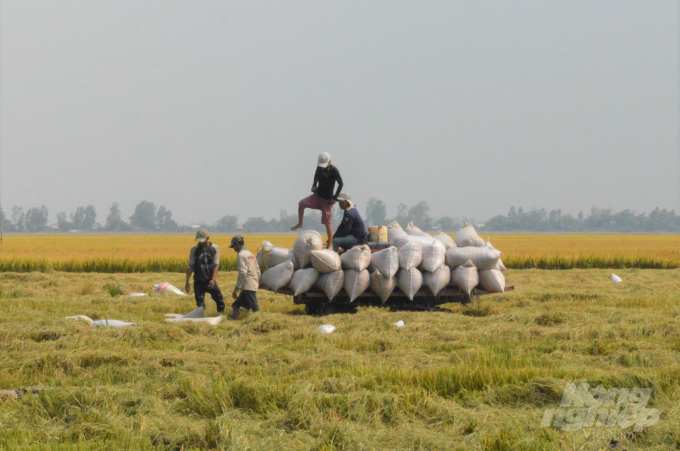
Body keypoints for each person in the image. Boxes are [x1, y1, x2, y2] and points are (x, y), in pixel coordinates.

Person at [291, 152, 343, 249]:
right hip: (317, 195)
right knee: (301, 204)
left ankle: (331, 244)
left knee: (327, 223)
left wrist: (334, 198)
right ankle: (300, 223)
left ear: (329, 162)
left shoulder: (334, 170)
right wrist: (314, 185)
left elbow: (341, 184)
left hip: (327, 200)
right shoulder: (319, 168)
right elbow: (316, 177)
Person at [185, 229, 225, 313]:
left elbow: (215, 264)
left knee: (220, 301)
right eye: (199, 241)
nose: (200, 242)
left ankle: (220, 316)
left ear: (208, 238)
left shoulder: (214, 248)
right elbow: (190, 266)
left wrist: (213, 279)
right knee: (200, 305)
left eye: (202, 241)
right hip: (198, 281)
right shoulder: (194, 250)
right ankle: (201, 319)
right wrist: (187, 281)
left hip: (210, 280)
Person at [229, 235, 261, 320]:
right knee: (235, 305)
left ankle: (260, 322)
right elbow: (258, 271)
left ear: (236, 244)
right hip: (252, 284)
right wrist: (257, 283)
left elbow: (242, 273)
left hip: (248, 286)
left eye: (233, 247)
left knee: (255, 308)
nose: (234, 249)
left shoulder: (241, 255)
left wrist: (237, 289)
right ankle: (235, 322)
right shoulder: (250, 254)